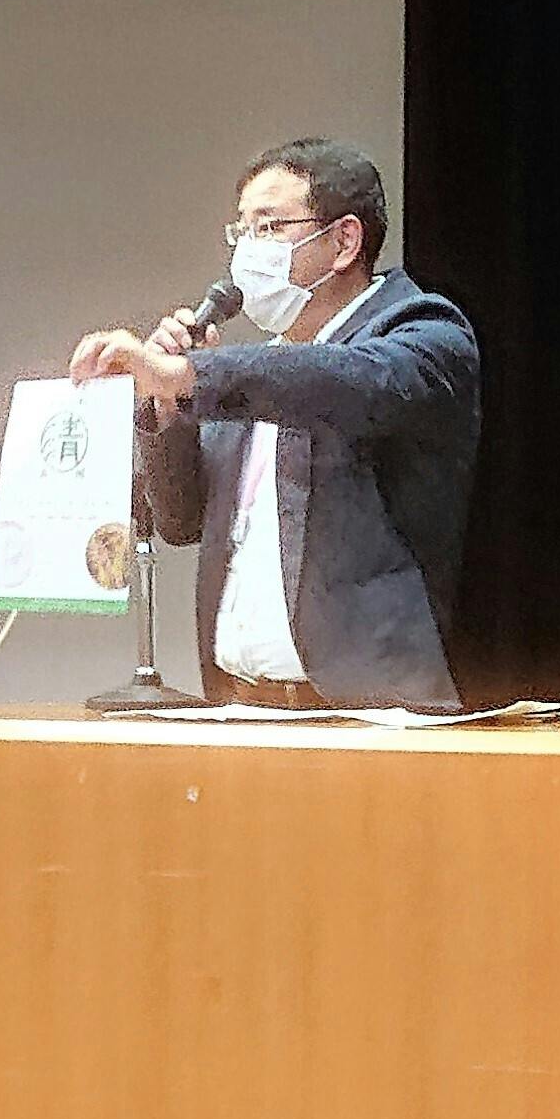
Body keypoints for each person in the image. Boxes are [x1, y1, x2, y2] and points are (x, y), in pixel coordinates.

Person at [70, 140, 480, 710]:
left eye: (269, 227)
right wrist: (166, 408)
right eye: (241, 232)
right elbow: (180, 521)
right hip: (240, 704)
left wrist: (190, 376)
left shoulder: (425, 336)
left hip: (370, 715)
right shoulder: (261, 369)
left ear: (344, 241)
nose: (247, 253)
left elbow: (347, 382)